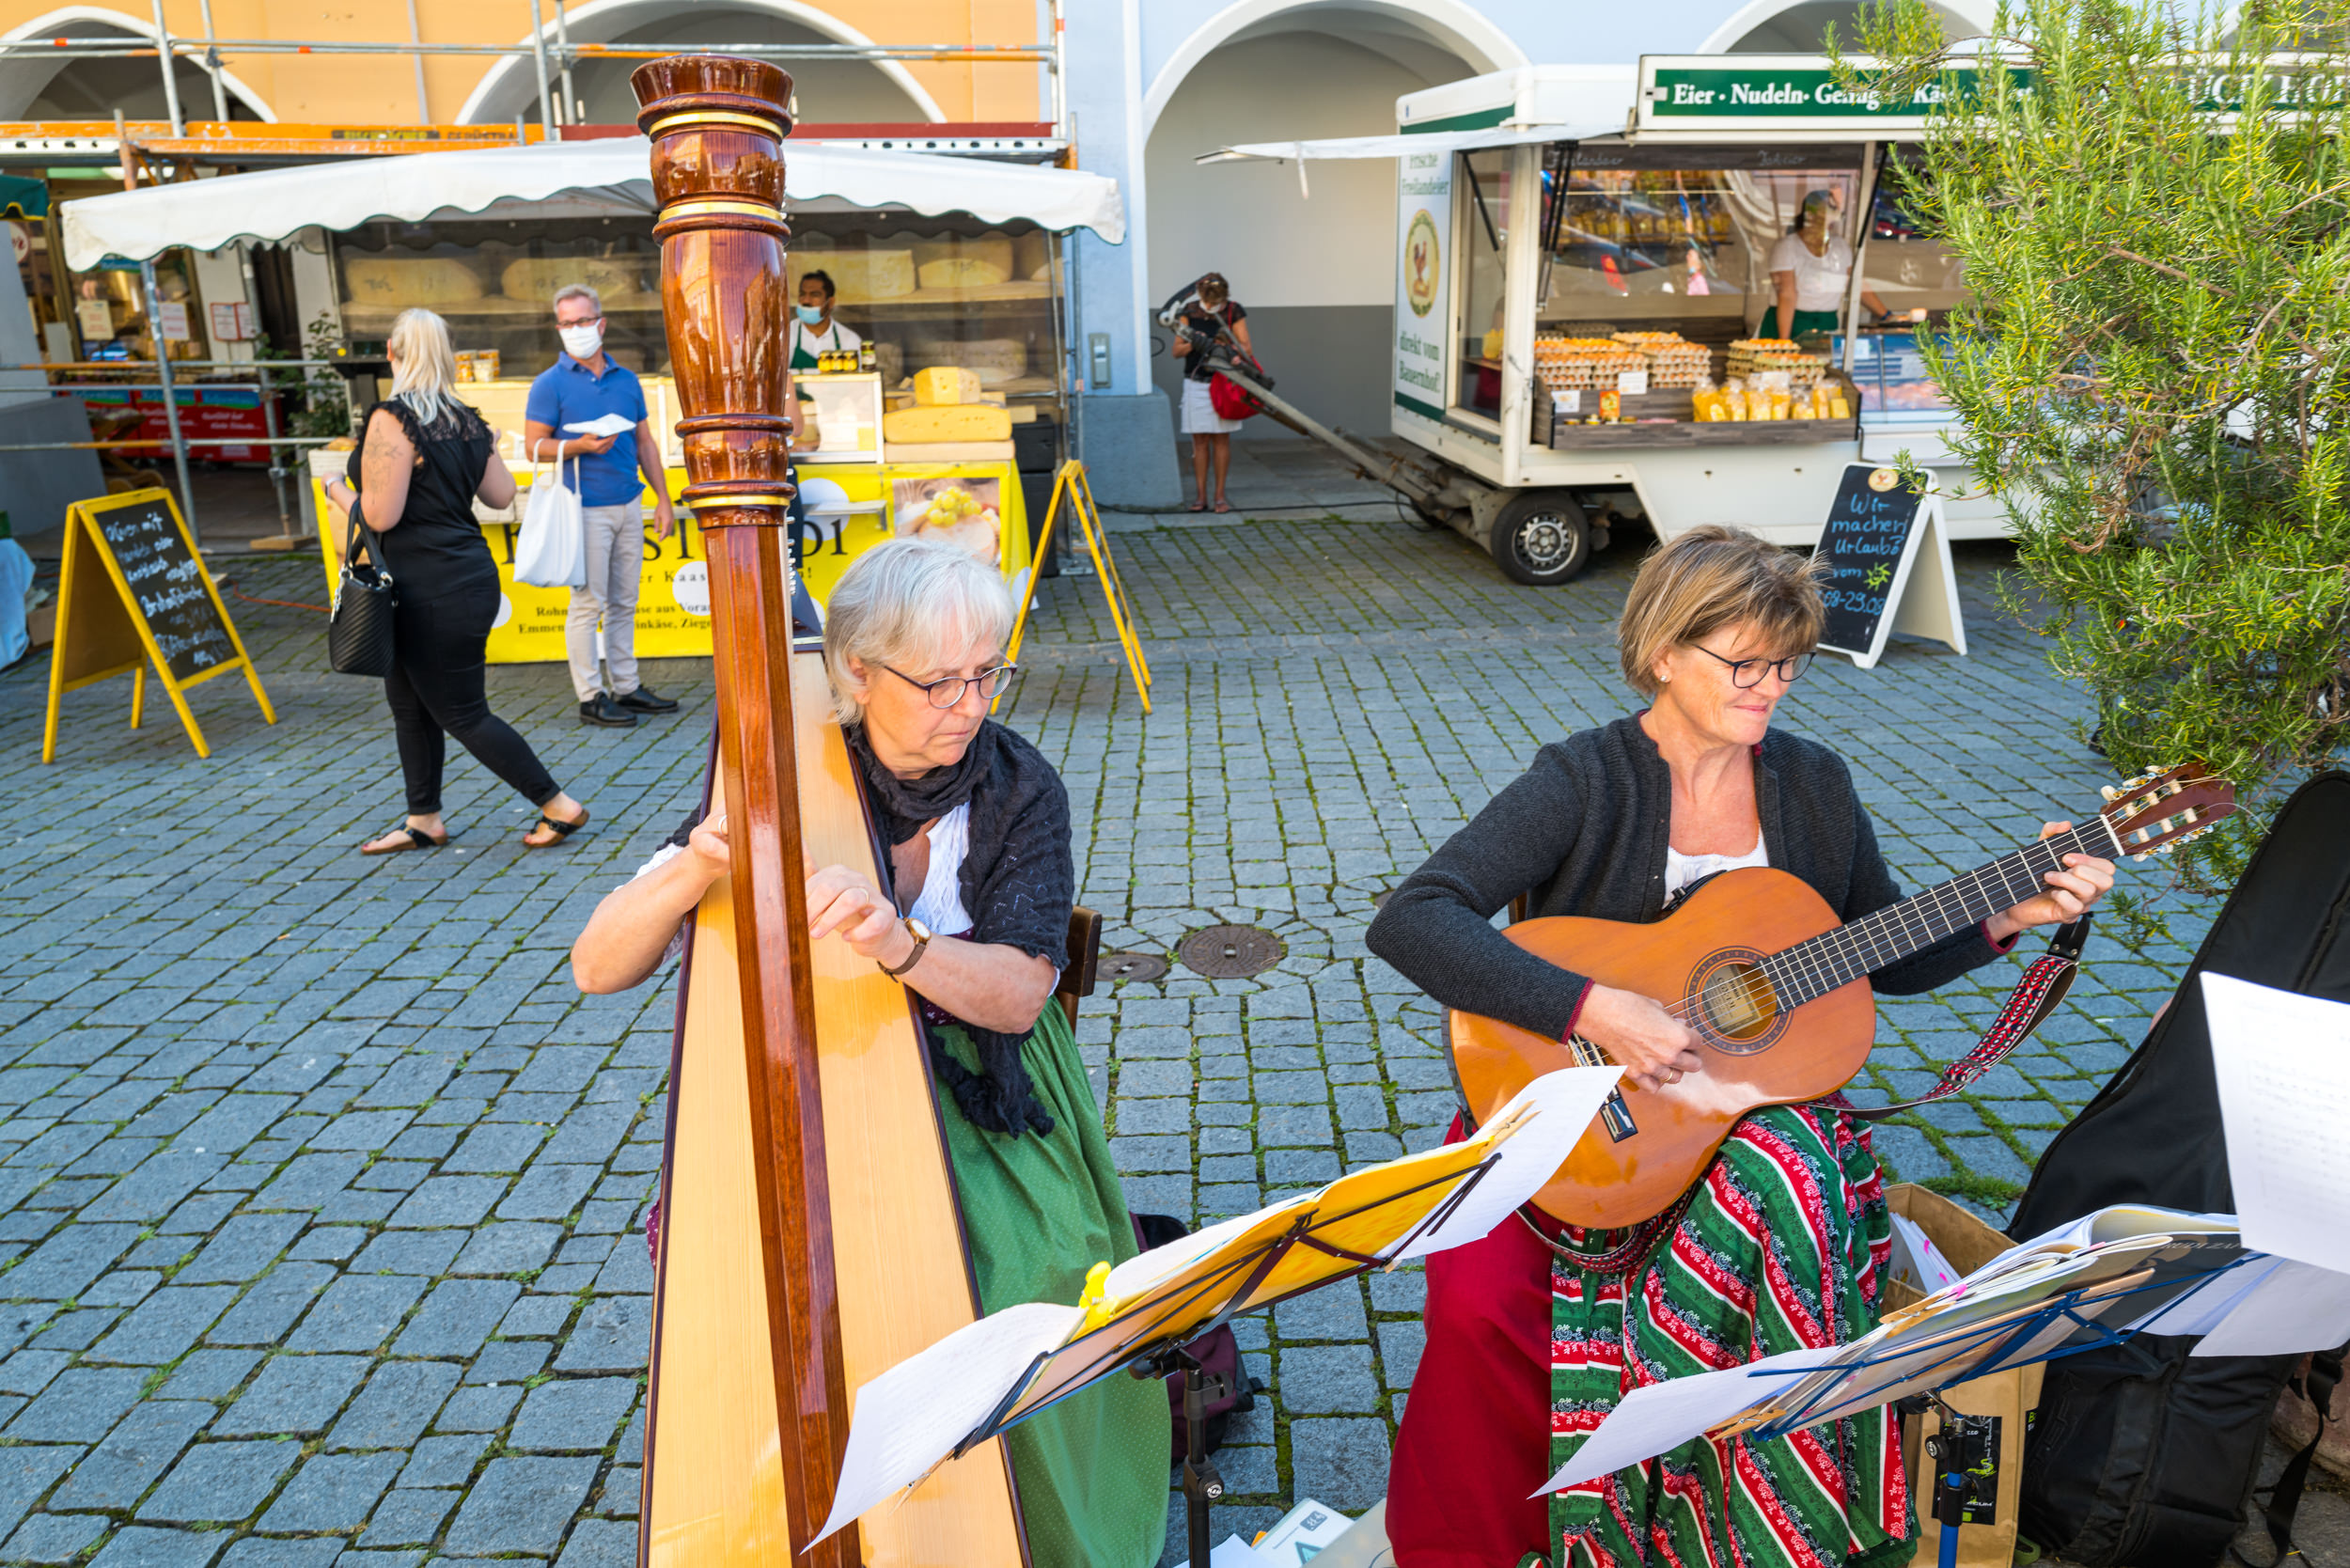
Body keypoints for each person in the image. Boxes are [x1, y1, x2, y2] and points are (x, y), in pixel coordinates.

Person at [1365, 526, 2115, 1568]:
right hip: (1583, 1113)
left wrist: (2009, 916)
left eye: (1786, 664)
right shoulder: (1583, 779)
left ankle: (1722, 1533)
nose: (1770, 688)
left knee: (1790, 1227)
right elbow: (1413, 919)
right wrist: (1593, 1007)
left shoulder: (1811, 784)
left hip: (1740, 1131)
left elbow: (1879, 954)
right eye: (1743, 663)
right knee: (1481, 1304)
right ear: (1665, 651)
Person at [570, 539, 1170, 1567]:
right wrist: (689, 870)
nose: (969, 704)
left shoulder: (1018, 787)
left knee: (1023, 1280)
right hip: (806, 1082)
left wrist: (901, 944)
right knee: (745, 1272)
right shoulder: (782, 767)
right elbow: (597, 967)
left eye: (987, 672)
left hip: (983, 1091)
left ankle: (1037, 1530)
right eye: (938, 680)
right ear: (854, 671)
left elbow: (1022, 996)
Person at [323, 308, 591, 855]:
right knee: (409, 702)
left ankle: (557, 803)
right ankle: (424, 818)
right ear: (447, 356)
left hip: (427, 587)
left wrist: (335, 488)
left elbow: (379, 516)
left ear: (394, 355)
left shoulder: (391, 420)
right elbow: (499, 494)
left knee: (462, 709)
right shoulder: (467, 420)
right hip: (464, 575)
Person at [523, 283, 679, 729]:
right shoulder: (548, 384)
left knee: (625, 600)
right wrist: (579, 446)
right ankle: (590, 695)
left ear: (601, 323)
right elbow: (535, 446)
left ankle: (626, 686)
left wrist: (662, 499)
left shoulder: (626, 380)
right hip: (583, 508)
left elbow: (645, 443)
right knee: (588, 603)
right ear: (559, 328)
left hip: (629, 501)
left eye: (583, 320)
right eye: (568, 323)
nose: (577, 329)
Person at [1762, 189, 1890, 342]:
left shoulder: (1840, 246)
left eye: (1835, 210)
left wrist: (1886, 316)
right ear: (1810, 215)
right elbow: (1787, 295)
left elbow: (1856, 285)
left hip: (1827, 324)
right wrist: (1784, 342)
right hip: (1787, 323)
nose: (1834, 216)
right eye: (1828, 210)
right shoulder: (1787, 247)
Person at [1173, 272, 1250, 513]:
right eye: (1209, 301)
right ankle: (1200, 496)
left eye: (1217, 301)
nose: (1212, 305)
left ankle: (1219, 496)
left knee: (1221, 440)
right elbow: (1177, 351)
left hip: (1223, 383)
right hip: (1196, 381)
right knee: (1199, 441)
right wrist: (1197, 342)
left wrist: (1227, 346)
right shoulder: (1189, 312)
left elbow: (1246, 346)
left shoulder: (1233, 311)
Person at [791, 270, 862, 369]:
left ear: (831, 302)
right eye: (802, 294)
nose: (806, 300)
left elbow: (860, 381)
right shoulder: (786, 335)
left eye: (814, 295)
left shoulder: (849, 340)